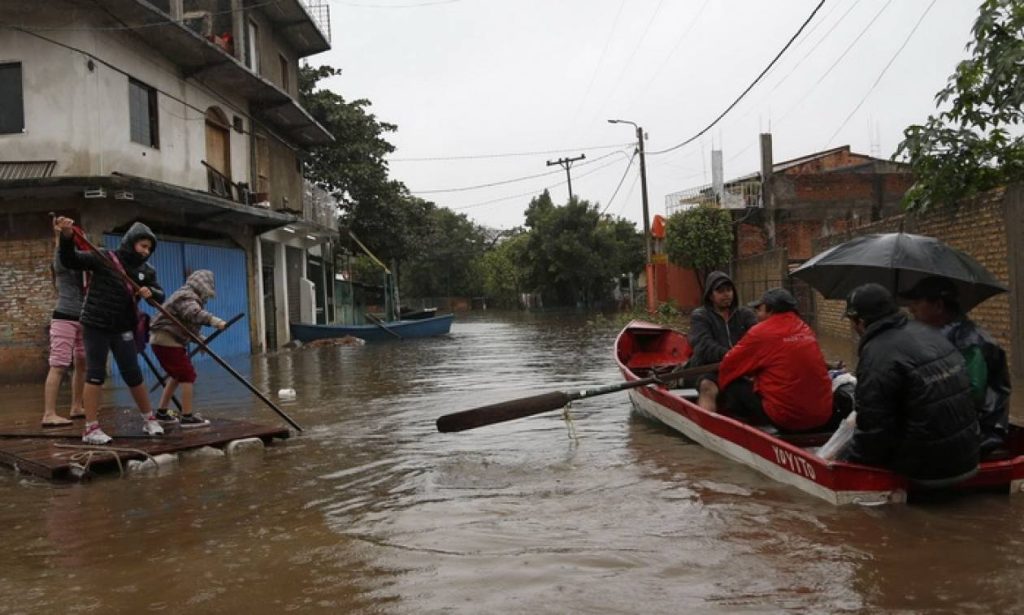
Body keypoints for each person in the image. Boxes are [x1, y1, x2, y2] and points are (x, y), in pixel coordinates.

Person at [840, 283, 980, 487]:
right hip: (970, 456)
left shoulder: (877, 355)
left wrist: (848, 462)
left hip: (926, 471)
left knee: (848, 449)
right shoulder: (928, 332)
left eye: (852, 322)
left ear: (860, 322)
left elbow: (874, 430)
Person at [55, 216, 166, 444]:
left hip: (123, 326)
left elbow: (160, 294)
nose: (145, 251)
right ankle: (91, 428)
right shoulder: (105, 257)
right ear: (131, 242)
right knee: (95, 374)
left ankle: (150, 419)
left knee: (133, 373)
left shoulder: (147, 270)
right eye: (142, 246)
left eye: (149, 248)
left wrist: (151, 293)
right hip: (96, 324)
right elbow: (70, 260)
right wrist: (66, 238)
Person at [900, 276, 1010, 456]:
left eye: (917, 302)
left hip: (979, 433)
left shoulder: (970, 342)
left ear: (938, 306)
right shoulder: (940, 336)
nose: (911, 309)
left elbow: (971, 393)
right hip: (954, 427)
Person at [703, 288, 833, 432]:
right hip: (822, 416)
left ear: (770, 310)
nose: (756, 314)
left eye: (759, 309)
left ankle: (740, 429)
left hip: (786, 418)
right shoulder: (805, 329)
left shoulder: (760, 332)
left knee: (731, 385)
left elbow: (729, 366)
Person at [149, 269, 227, 427]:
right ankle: (187, 416)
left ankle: (162, 413)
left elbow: (188, 326)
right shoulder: (187, 296)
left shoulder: (188, 295)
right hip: (167, 340)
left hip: (165, 340)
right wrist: (214, 321)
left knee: (176, 376)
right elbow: (193, 314)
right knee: (187, 375)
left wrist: (199, 339)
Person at [41, 227, 87, 427]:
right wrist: (61, 234)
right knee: (59, 364)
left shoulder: (82, 260)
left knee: (82, 362)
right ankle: (49, 414)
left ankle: (77, 406)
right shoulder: (62, 259)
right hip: (64, 317)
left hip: (83, 317)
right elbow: (62, 250)